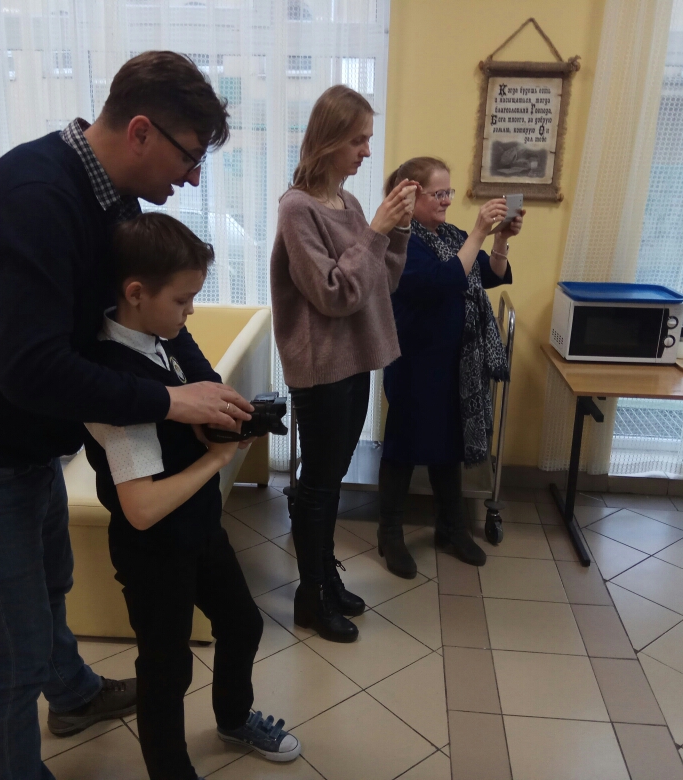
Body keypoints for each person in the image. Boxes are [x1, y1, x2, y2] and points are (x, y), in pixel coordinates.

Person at [0, 52, 254, 780]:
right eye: (189, 157)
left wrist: (207, 388)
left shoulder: (114, 200)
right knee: (10, 647)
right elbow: (29, 367)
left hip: (27, 439)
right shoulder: (36, 197)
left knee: (50, 584)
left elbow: (146, 321)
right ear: (142, 131)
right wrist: (168, 400)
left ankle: (75, 695)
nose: (192, 178)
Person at [81, 213, 300, 780]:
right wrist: (218, 458)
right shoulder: (115, 383)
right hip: (154, 551)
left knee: (243, 625)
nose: (191, 312)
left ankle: (234, 719)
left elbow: (198, 389)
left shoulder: (161, 336)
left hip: (197, 528)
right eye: (183, 300)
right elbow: (141, 508)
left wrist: (224, 420)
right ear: (136, 293)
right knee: (167, 668)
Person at [270, 85, 418, 643]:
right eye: (357, 140)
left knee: (328, 481)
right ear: (328, 140)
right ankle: (310, 595)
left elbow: (381, 282)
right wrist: (377, 231)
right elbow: (334, 293)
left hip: (354, 359)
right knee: (318, 484)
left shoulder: (350, 204)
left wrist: (398, 229)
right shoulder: (297, 208)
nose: (366, 152)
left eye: (368, 140)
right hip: (321, 367)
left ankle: (325, 580)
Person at [377, 157, 525, 578]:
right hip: (415, 360)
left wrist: (500, 239)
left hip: (456, 362)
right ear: (412, 194)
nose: (446, 200)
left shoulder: (451, 235)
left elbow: (488, 274)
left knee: (450, 444)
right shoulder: (399, 242)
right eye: (438, 193)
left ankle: (451, 527)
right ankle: (390, 534)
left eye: (448, 192)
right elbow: (444, 280)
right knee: (403, 446)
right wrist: (479, 231)